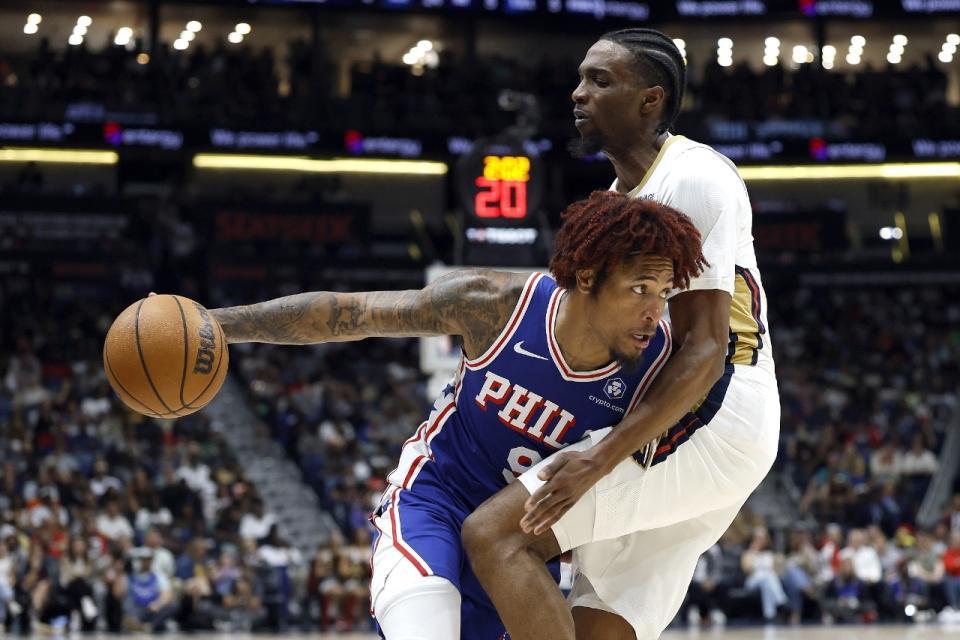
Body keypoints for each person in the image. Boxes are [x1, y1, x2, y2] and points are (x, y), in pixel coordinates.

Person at [200, 190, 706, 639]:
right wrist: (214, 324)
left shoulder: (662, 368)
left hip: (521, 548)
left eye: (664, 294)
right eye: (640, 289)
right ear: (588, 276)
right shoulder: (496, 306)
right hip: (433, 503)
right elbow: (348, 314)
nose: (654, 312)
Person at [460, 27, 779, 640]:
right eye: (581, 78)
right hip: (680, 419)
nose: (577, 93)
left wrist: (598, 459)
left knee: (497, 534)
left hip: (712, 412)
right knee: (595, 629)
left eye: (599, 80)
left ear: (650, 100)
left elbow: (706, 348)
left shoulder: (693, 176)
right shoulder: (615, 200)